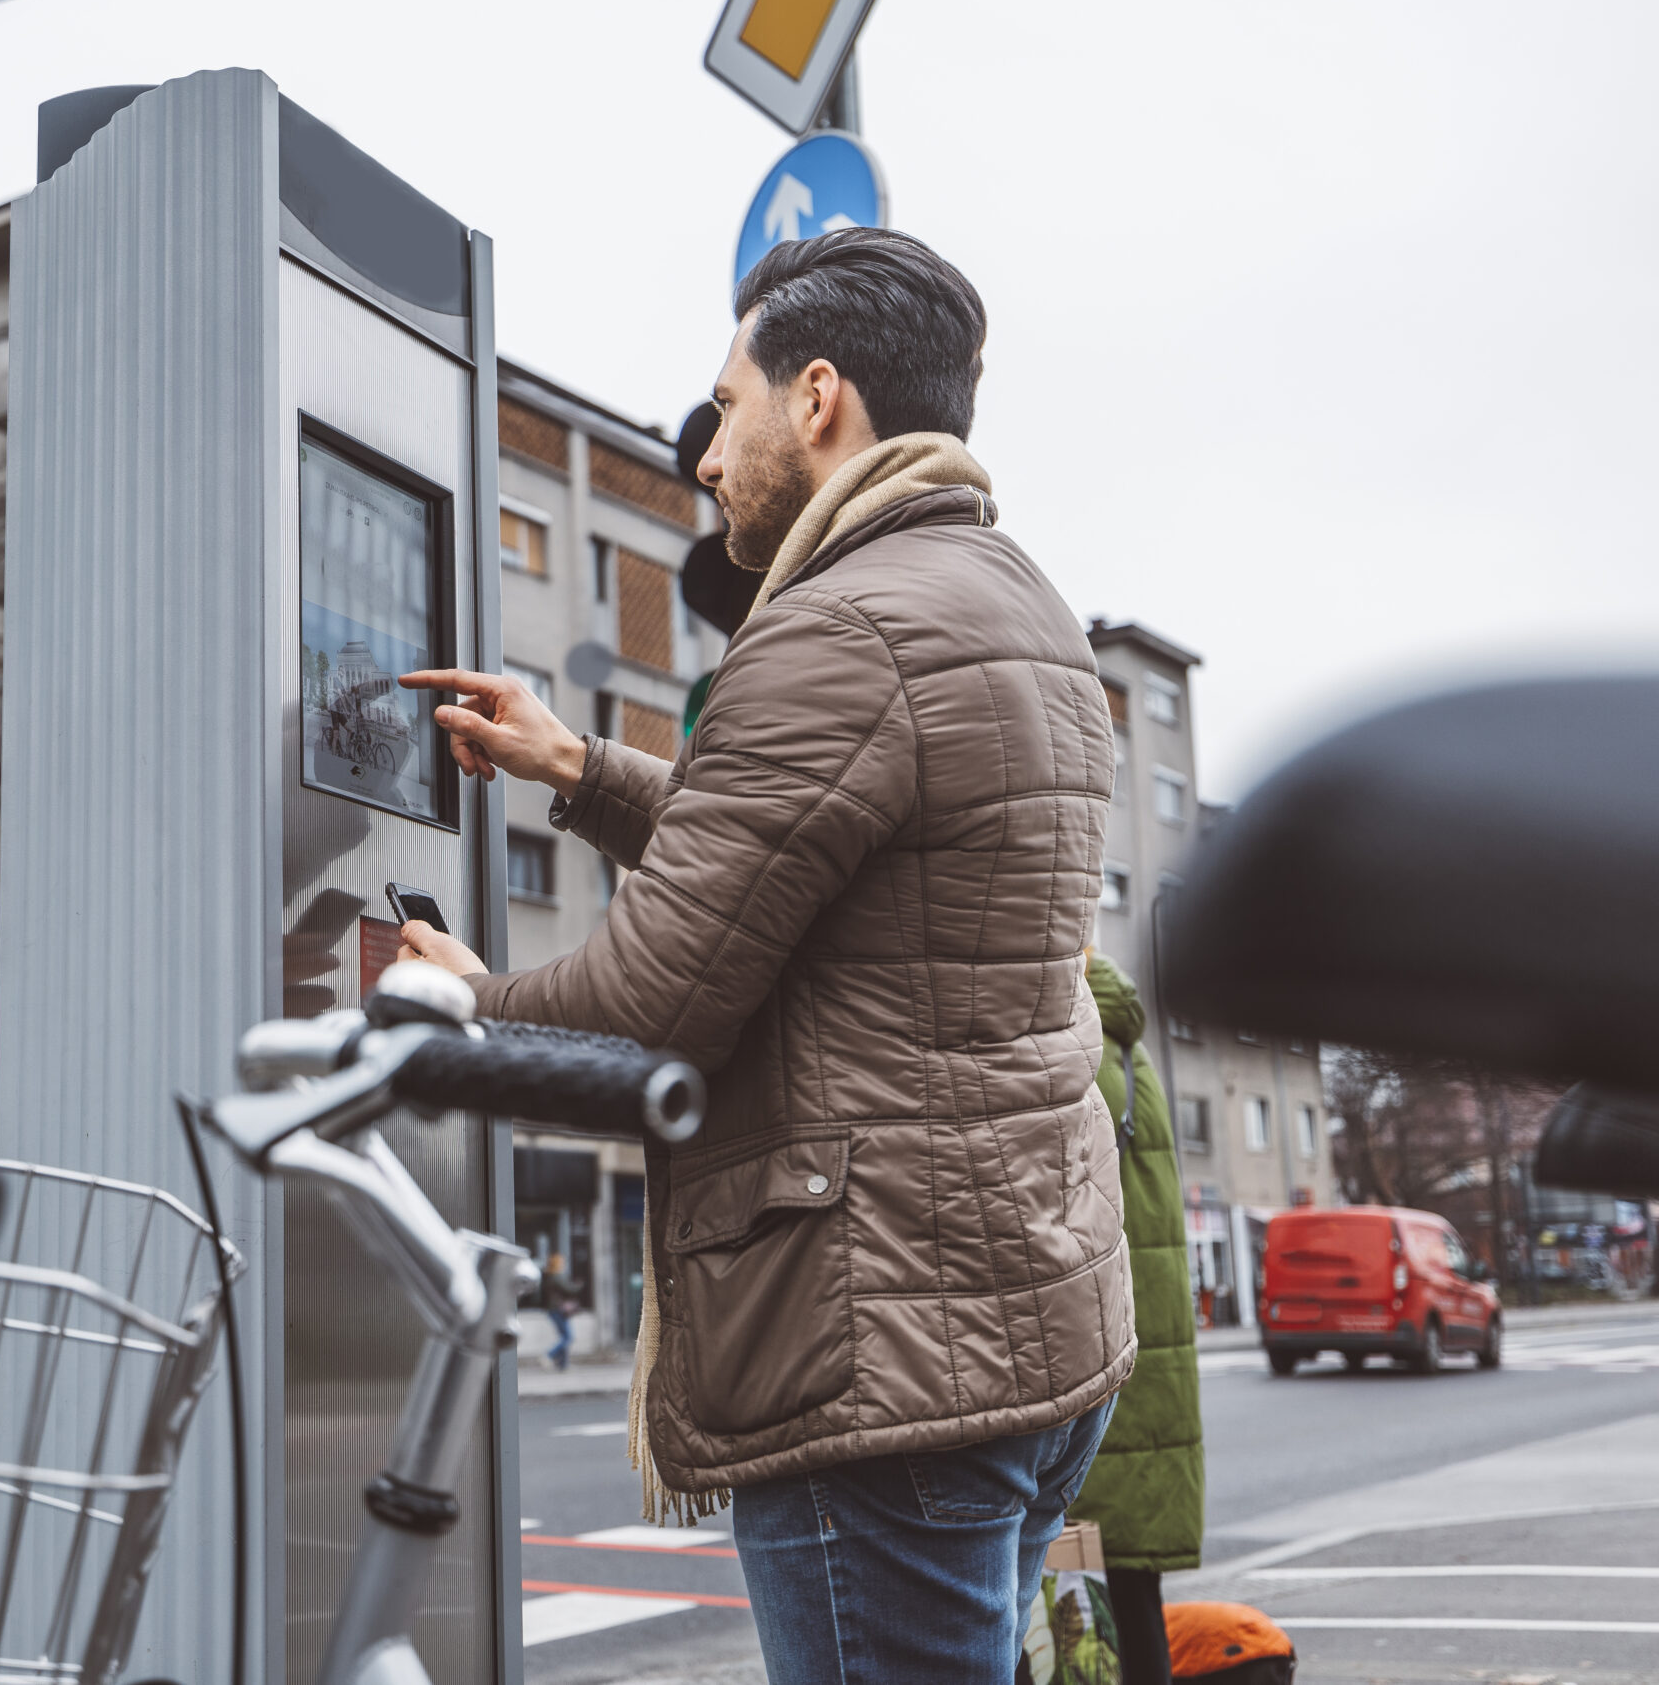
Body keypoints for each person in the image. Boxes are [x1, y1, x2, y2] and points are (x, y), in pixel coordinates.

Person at [398, 227, 1133, 1684]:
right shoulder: (1008, 601)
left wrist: (452, 1001)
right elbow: (817, 865)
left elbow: (652, 1005)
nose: (707, 457)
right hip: (1025, 1322)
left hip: (880, 1362)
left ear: (815, 398)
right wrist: (584, 767)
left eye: (724, 408)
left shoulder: (833, 630)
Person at [1063, 952, 1205, 1685]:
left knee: (1065, 1619)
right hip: (1142, 1368)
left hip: (1084, 1365)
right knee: (1130, 1593)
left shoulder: (1063, 1034)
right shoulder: (1129, 1047)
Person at [542, 1252, 582, 1373]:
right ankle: (549, 1355)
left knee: (564, 1336)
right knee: (568, 1337)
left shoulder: (549, 1275)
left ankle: (563, 1365)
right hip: (557, 1309)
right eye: (561, 1262)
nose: (563, 1264)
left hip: (555, 1309)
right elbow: (569, 1289)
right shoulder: (556, 1276)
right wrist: (578, 1285)